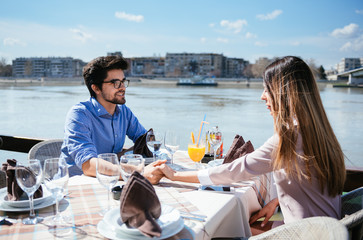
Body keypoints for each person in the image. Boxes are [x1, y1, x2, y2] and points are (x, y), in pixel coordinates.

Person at [157, 56, 346, 233]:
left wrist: (175, 175)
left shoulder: (290, 138)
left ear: (284, 93)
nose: (262, 96)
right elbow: (311, 186)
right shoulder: (319, 132)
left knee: (217, 230)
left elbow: (234, 171)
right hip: (326, 231)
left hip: (304, 234)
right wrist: (276, 201)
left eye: (267, 89)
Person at [60, 55, 164, 183]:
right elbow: (88, 165)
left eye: (123, 82)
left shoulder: (124, 111)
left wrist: (132, 156)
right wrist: (136, 172)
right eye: (115, 83)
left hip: (112, 181)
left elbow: (146, 140)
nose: (123, 87)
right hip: (76, 186)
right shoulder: (79, 115)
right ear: (96, 88)